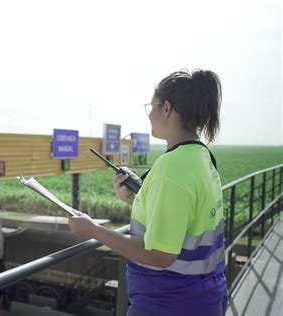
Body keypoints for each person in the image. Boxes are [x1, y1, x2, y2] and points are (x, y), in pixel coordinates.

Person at [68, 69, 226, 316]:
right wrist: (137, 200)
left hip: (169, 303)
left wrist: (93, 230)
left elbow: (159, 254)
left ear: (166, 109)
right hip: (204, 295)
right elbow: (182, 222)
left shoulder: (172, 167)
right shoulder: (201, 156)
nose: (149, 114)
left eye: (150, 106)